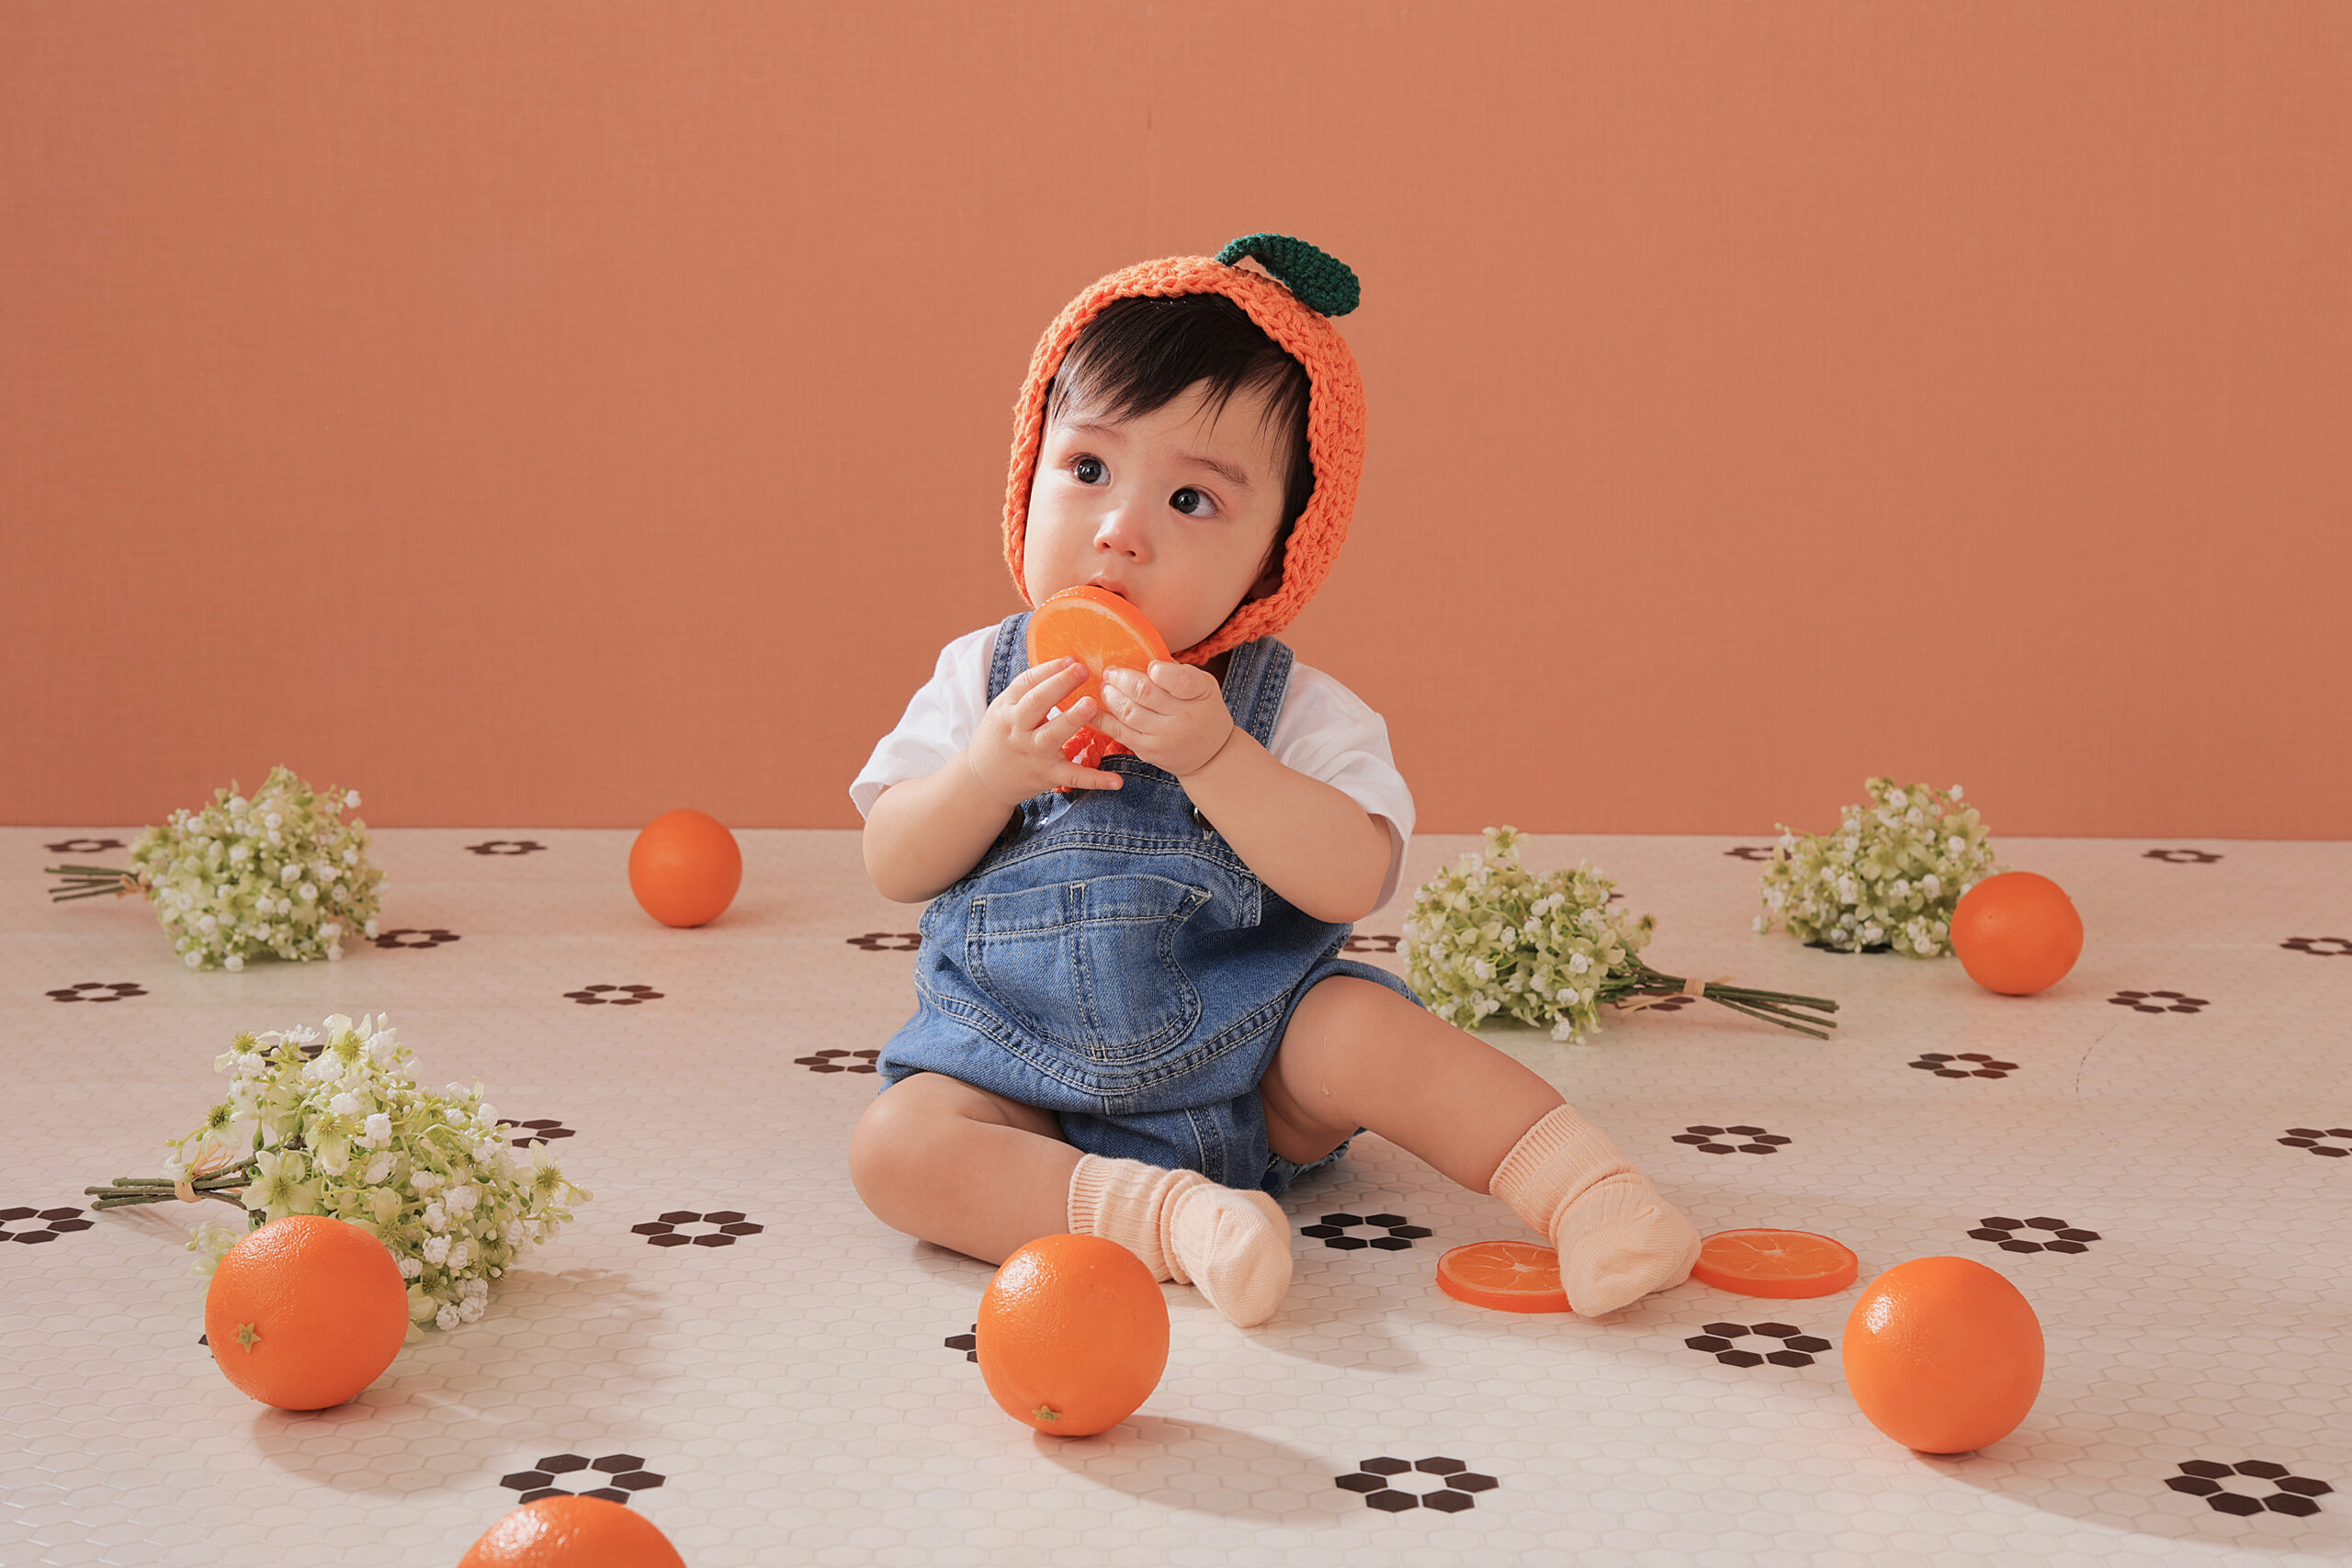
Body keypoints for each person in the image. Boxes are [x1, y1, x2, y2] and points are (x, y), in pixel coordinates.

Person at [846, 234, 1700, 1327]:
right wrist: (984, 773)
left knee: (1362, 1029)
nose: (1120, 533)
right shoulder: (982, 680)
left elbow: (1353, 879)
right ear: (1028, 474)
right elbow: (893, 861)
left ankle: (1592, 1195)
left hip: (1255, 1078)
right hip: (1015, 1085)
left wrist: (1221, 762)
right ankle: (1173, 1223)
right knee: (897, 1150)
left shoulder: (1286, 707)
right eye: (1088, 470)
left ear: (1276, 554)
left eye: (1190, 501)